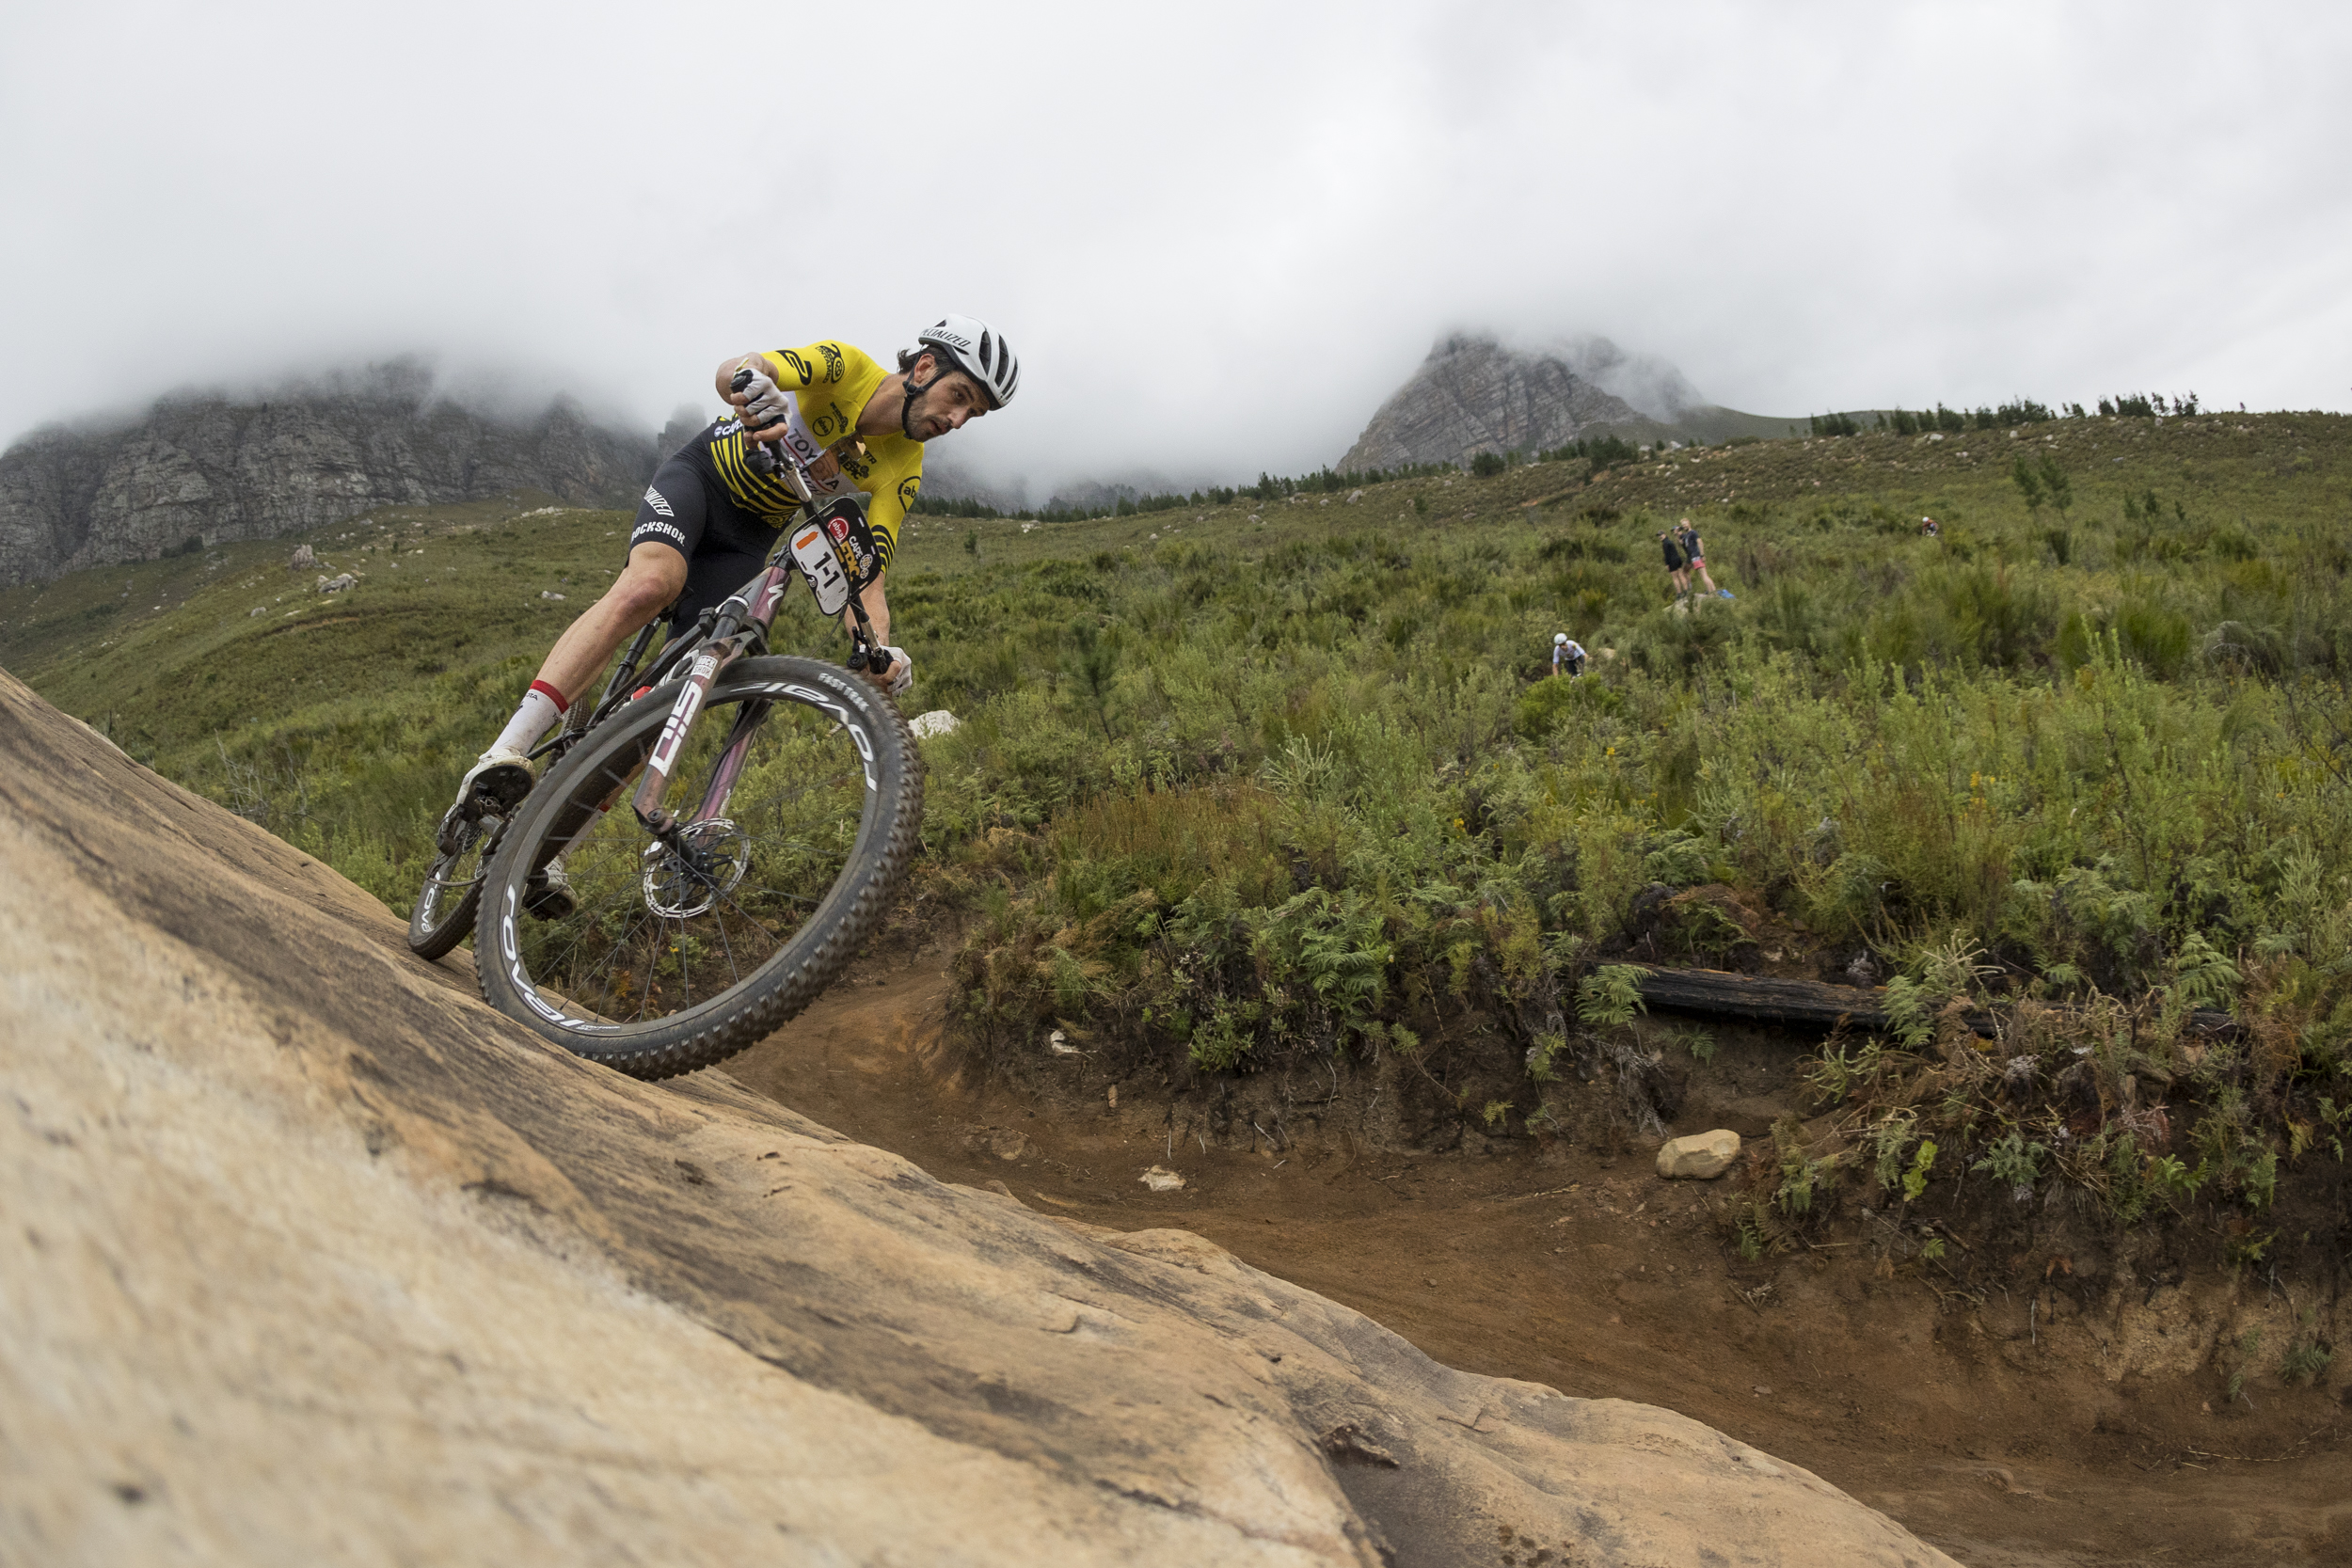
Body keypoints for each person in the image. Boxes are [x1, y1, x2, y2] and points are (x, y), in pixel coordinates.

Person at [450, 314, 1020, 914]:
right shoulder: (845, 366)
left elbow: (867, 574)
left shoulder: (904, 466)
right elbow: (740, 368)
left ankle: (551, 849)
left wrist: (879, 651)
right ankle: (504, 753)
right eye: (959, 396)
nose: (958, 419)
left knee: (674, 699)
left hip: (746, 542)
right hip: (699, 481)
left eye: (974, 413)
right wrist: (751, 384)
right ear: (925, 367)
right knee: (652, 584)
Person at [1676, 518, 1731, 599]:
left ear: (1689, 523)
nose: (1684, 526)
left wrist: (1702, 555)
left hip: (1697, 556)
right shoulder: (1687, 535)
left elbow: (1700, 542)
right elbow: (1681, 542)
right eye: (1683, 525)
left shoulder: (1693, 533)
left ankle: (1712, 593)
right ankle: (1713, 592)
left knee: (1704, 576)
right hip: (1694, 558)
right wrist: (1677, 533)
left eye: (1685, 524)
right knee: (1704, 575)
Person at [1659, 529, 1689, 601]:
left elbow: (1667, 555)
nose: (1660, 536)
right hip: (1678, 559)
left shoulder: (1665, 543)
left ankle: (1679, 593)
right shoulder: (1670, 541)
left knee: (1675, 577)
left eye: (1661, 535)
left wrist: (1667, 564)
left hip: (1672, 561)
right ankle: (1686, 591)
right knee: (1681, 575)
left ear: (1665, 535)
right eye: (1659, 535)